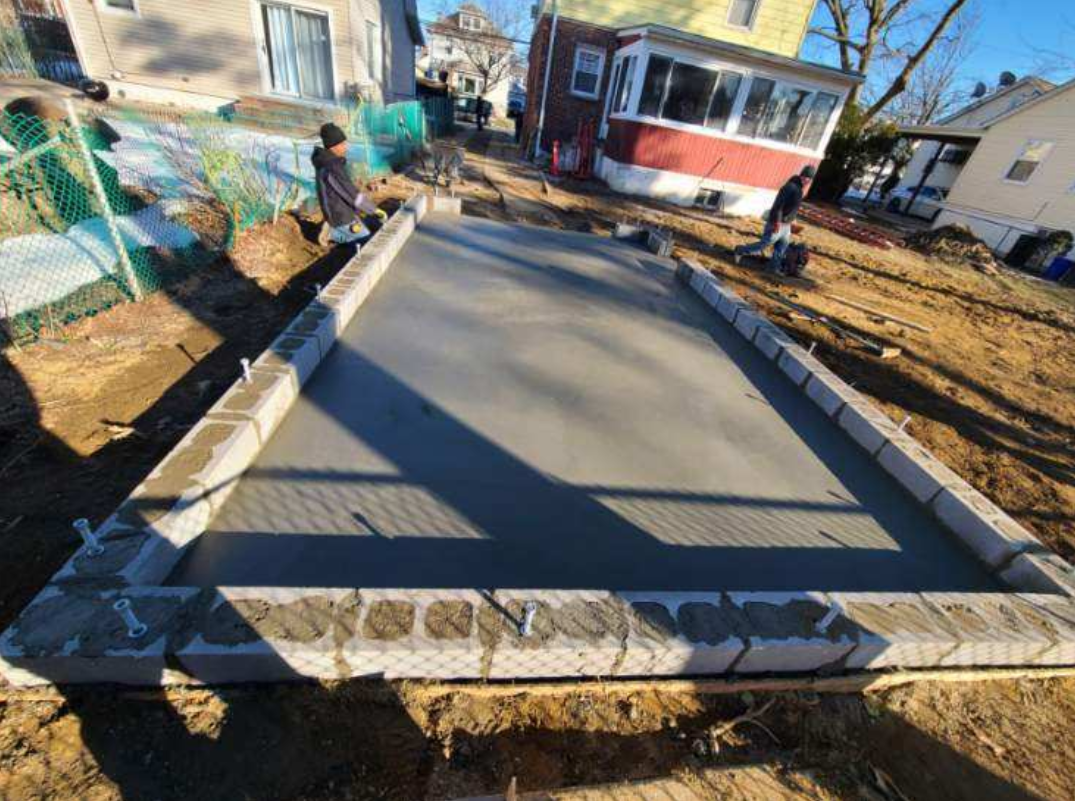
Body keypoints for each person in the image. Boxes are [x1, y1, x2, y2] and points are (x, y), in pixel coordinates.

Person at [312, 122, 386, 247]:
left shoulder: (327, 162)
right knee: (366, 242)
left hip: (341, 211)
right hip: (340, 216)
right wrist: (374, 210)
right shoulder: (332, 167)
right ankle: (332, 233)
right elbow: (351, 194)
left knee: (365, 229)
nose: (346, 147)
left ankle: (336, 232)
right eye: (342, 144)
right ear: (333, 146)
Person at [733, 165, 816, 273]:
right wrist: (777, 222)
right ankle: (740, 250)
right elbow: (779, 206)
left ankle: (773, 268)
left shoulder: (799, 190)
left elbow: (792, 207)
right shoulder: (790, 187)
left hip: (786, 225)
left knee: (781, 247)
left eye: (809, 179)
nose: (806, 180)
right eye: (805, 177)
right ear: (801, 175)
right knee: (765, 244)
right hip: (777, 223)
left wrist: (793, 220)